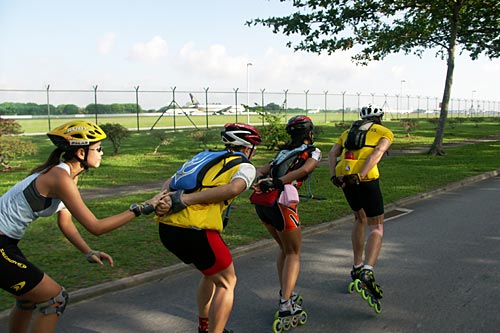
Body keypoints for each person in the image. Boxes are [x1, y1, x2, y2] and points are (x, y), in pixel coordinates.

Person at [0, 120, 166, 333]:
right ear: (80, 153)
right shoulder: (60, 177)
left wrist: (88, 251)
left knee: (27, 299)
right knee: (55, 299)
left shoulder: (66, 176)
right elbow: (95, 226)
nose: (102, 153)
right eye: (98, 149)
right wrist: (141, 208)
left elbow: (65, 221)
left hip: (8, 243)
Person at [154, 123, 262, 333]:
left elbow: (171, 180)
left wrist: (164, 198)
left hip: (168, 228)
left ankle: (205, 326)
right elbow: (234, 188)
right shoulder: (245, 166)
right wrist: (186, 200)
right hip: (197, 230)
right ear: (248, 148)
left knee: (211, 275)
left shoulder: (204, 157)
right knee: (228, 282)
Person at [251, 115, 321, 326]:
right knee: (293, 252)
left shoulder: (282, 152)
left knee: (284, 248)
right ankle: (285, 304)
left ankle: (287, 292)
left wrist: (248, 177)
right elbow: (306, 169)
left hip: (263, 203)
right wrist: (278, 182)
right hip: (283, 202)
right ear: (310, 132)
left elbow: (262, 169)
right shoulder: (313, 150)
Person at [328, 104, 394, 301]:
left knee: (359, 218)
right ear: (379, 118)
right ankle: (367, 270)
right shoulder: (385, 132)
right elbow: (377, 153)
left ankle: (356, 267)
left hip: (344, 176)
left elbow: (332, 154)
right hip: (365, 179)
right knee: (377, 227)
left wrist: (333, 176)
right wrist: (362, 174)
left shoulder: (348, 131)